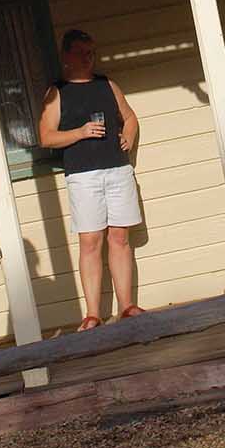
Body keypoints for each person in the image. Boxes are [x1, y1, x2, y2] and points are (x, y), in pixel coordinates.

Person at [38, 29, 144, 330]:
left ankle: (127, 306)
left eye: (92, 52)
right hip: (83, 175)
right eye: (83, 52)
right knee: (90, 241)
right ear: (67, 56)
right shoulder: (56, 92)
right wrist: (81, 132)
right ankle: (93, 314)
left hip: (116, 169)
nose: (89, 58)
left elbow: (131, 117)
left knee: (120, 238)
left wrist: (128, 135)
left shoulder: (107, 84)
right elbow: (46, 136)